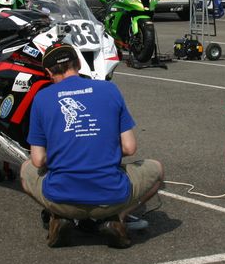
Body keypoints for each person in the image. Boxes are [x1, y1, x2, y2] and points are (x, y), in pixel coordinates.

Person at [21, 43, 164, 249]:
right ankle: (118, 217)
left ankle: (59, 216)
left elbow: (38, 160)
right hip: (111, 196)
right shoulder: (109, 89)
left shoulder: (42, 98)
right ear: (79, 64)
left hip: (61, 196)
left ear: (49, 72)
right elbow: (130, 147)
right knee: (157, 170)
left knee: (26, 170)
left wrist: (67, 151)